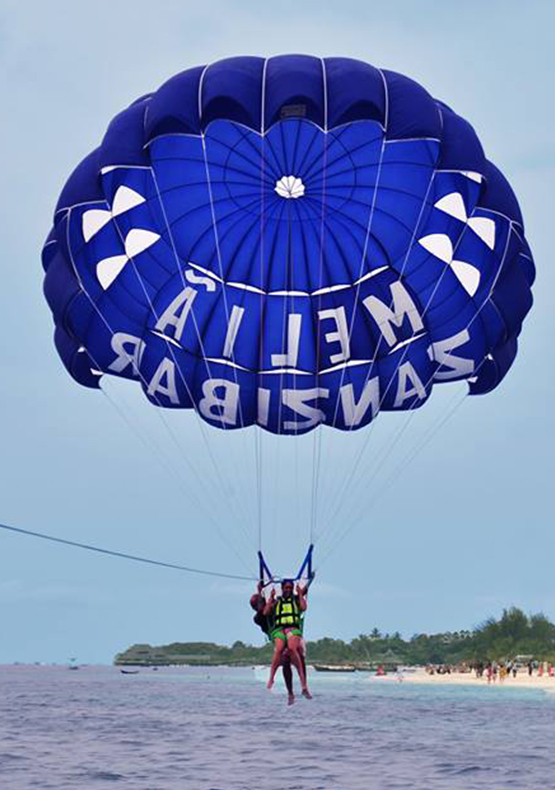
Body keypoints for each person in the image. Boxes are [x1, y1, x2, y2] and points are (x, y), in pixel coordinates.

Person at [249, 583, 307, 705]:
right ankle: (290, 692)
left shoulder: (283, 601)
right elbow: (263, 610)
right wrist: (262, 593)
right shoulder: (258, 617)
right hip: (278, 634)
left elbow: (299, 599)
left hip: (291, 632)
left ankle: (303, 686)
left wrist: (302, 590)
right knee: (286, 658)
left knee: (298, 653)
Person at [264, 579, 311, 699]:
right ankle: (271, 678)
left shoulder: (296, 600)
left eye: (290, 588)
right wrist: (270, 598)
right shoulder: (276, 601)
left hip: (292, 629)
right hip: (279, 630)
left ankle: (303, 684)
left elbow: (304, 607)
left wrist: (300, 593)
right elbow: (266, 612)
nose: (288, 590)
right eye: (286, 588)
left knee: (291, 648)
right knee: (279, 649)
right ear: (282, 588)